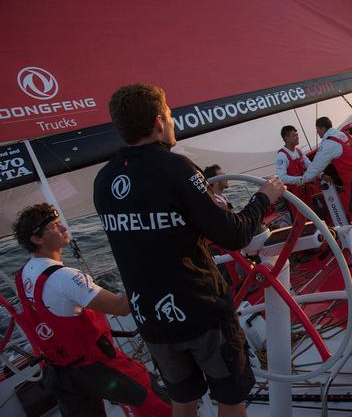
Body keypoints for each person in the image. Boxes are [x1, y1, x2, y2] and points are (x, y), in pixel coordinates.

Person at [93, 83, 285, 417]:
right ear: (158, 121)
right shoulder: (176, 169)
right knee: (230, 399)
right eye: (170, 115)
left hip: (152, 320)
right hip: (201, 313)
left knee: (183, 401)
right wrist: (263, 199)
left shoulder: (104, 180)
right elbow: (235, 235)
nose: (172, 122)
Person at [9, 203, 171, 416]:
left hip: (59, 371)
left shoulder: (23, 274)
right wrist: (147, 271)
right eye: (55, 227)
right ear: (37, 239)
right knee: (155, 402)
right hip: (94, 364)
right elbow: (121, 308)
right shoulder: (65, 277)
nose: (64, 229)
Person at [301, 117, 352, 225]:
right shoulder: (346, 135)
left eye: (317, 130)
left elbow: (314, 168)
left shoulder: (328, 143)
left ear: (322, 129)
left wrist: (302, 179)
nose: (317, 133)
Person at [275, 125, 320, 216]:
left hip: (305, 190)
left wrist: (321, 174)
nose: (297, 137)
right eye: (294, 135)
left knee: (311, 214)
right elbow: (282, 177)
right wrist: (301, 179)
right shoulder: (282, 156)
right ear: (286, 138)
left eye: (297, 134)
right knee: (300, 217)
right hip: (294, 195)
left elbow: (310, 166)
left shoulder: (299, 151)